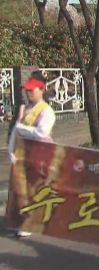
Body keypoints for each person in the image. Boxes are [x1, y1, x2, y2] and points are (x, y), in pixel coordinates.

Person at [8, 71, 56, 238]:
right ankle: (23, 220)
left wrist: (22, 128)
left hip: (41, 155)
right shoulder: (25, 109)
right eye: (26, 90)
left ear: (41, 89)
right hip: (24, 155)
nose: (28, 93)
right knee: (22, 189)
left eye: (31, 89)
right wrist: (11, 150)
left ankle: (31, 222)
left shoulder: (47, 111)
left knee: (34, 189)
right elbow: (15, 131)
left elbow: (42, 132)